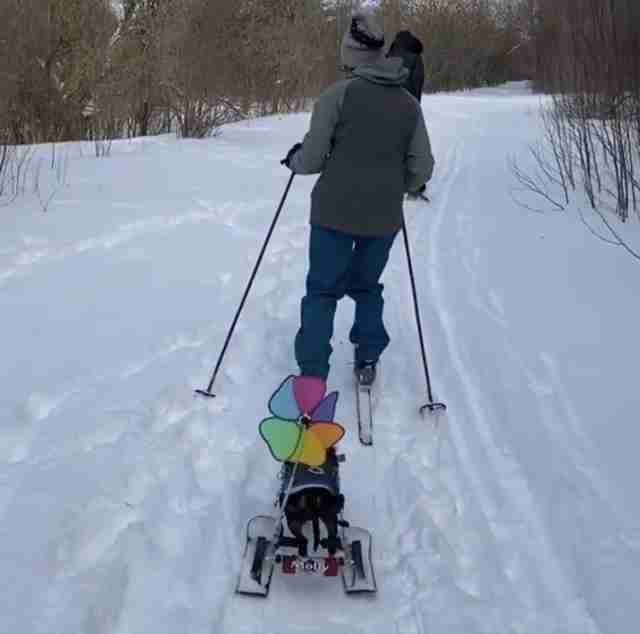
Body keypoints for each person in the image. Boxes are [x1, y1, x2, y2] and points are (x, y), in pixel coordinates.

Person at [281, 11, 434, 387]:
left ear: (351, 54)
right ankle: (367, 357)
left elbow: (313, 157)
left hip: (333, 212)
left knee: (322, 290)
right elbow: (422, 167)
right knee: (367, 287)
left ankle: (313, 370)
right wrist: (402, 184)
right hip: (382, 216)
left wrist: (294, 160)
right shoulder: (408, 105)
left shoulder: (336, 96)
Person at [387, 30, 425, 102]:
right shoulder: (416, 57)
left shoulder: (390, 55)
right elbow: (418, 78)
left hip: (391, 99)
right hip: (410, 99)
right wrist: (417, 100)